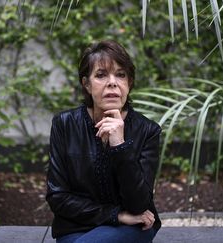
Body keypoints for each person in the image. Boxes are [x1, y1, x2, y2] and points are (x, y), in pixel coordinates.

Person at [46, 40, 161, 243]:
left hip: (131, 229)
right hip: (77, 228)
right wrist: (115, 215)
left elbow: (139, 204)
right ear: (86, 84)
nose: (112, 82)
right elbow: (58, 197)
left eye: (121, 74)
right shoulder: (64, 124)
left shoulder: (147, 130)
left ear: (129, 83)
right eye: (101, 75)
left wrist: (120, 145)